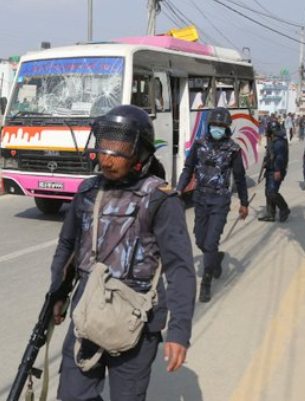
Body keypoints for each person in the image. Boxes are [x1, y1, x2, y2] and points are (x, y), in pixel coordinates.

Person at [49, 105, 196, 401]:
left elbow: (180, 268)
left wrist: (179, 331)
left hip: (138, 322)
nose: (107, 158)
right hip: (88, 310)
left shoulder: (161, 199)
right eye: (104, 148)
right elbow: (68, 247)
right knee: (71, 394)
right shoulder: (87, 192)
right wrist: (58, 294)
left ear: (140, 153)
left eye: (118, 151)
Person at [176, 107, 249, 303]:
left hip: (220, 201)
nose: (217, 128)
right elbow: (187, 169)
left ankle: (206, 283)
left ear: (227, 128)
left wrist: (244, 203)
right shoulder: (199, 145)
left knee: (210, 242)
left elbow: (240, 178)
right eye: (214, 125)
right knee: (200, 241)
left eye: (221, 126)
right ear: (209, 126)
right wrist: (179, 190)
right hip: (200, 199)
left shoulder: (233, 149)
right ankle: (215, 259)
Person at [258, 118, 291, 223]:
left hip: (276, 171)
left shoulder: (279, 142)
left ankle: (284, 209)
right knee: (268, 192)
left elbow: (280, 158)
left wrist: (277, 170)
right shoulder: (274, 139)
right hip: (270, 169)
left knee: (272, 192)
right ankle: (270, 214)